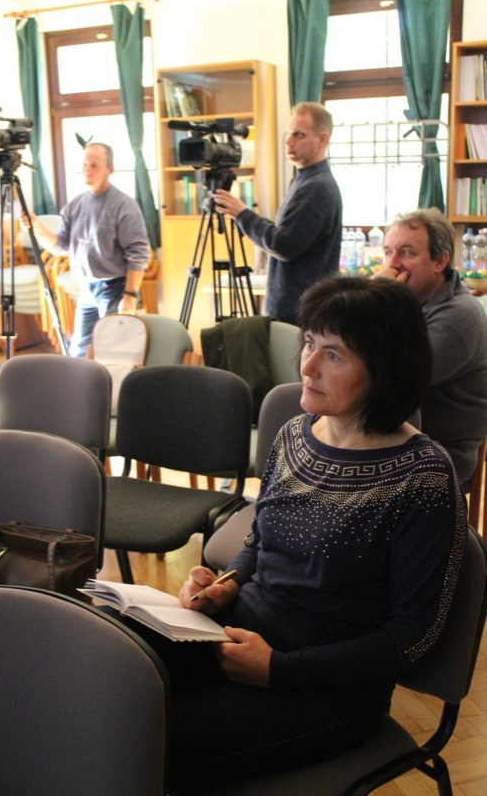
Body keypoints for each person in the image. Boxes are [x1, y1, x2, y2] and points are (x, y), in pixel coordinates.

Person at [107, 275, 467, 793]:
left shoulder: (422, 478)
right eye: (309, 343)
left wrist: (279, 669)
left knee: (135, 746)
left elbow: (415, 638)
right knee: (104, 669)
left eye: (333, 355)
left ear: (385, 368)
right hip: (236, 638)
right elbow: (261, 540)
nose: (307, 366)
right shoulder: (295, 435)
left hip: (326, 691)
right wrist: (229, 582)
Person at [378, 207, 487, 490]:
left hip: (437, 454)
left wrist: (374, 300)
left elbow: (394, 381)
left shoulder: (460, 315)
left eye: (406, 253)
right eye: (388, 252)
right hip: (389, 437)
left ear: (440, 261)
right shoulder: (409, 303)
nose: (393, 264)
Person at [212, 102, 342, 326]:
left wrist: (241, 214)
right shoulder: (304, 179)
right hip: (293, 310)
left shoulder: (317, 187)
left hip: (300, 316)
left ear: (323, 139)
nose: (288, 141)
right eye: (288, 133)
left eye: (299, 134)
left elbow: (283, 244)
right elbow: (286, 234)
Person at [20, 142, 151, 357]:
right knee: (79, 351)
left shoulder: (124, 205)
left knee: (113, 352)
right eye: (85, 164)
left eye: (95, 166)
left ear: (110, 170)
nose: (88, 170)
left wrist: (129, 295)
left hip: (115, 288)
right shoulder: (75, 205)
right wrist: (36, 228)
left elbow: (138, 253)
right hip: (87, 289)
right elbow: (61, 246)